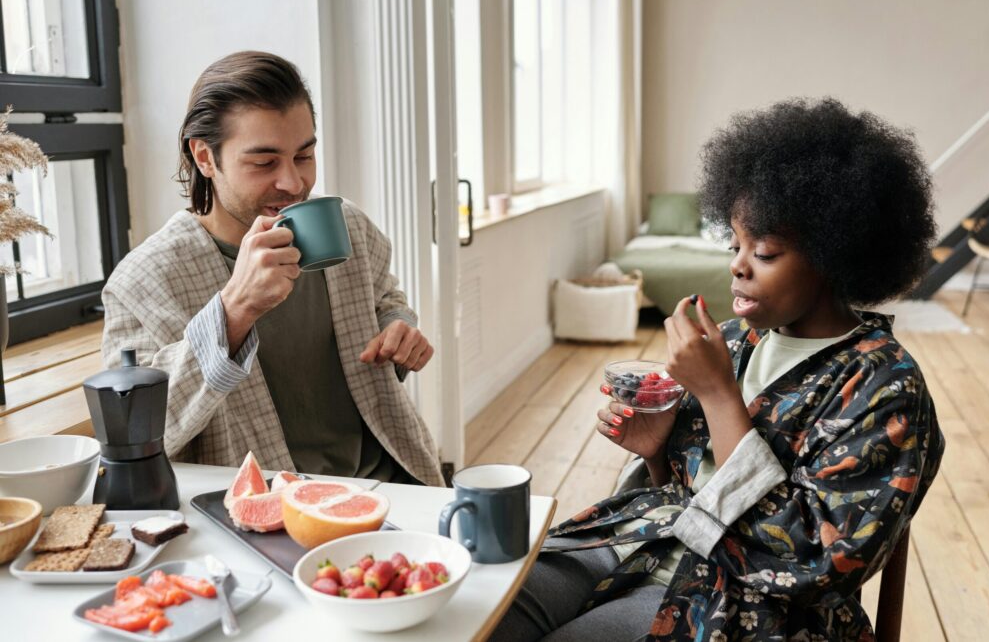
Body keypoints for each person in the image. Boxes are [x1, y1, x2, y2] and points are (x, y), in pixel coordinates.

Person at [492, 98, 944, 640]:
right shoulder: (733, 340)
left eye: (767, 252)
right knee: (483, 609)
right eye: (735, 244)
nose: (737, 264)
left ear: (834, 254)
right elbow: (687, 491)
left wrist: (718, 397)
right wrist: (657, 452)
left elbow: (817, 564)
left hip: (743, 604)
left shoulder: (884, 387)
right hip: (649, 542)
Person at [101, 51, 443, 486]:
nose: (294, 183)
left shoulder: (348, 226)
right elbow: (131, 434)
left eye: (304, 156)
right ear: (205, 157)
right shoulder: (143, 280)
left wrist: (399, 329)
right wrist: (234, 311)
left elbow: (384, 299)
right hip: (260, 514)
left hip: (394, 483)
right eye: (264, 162)